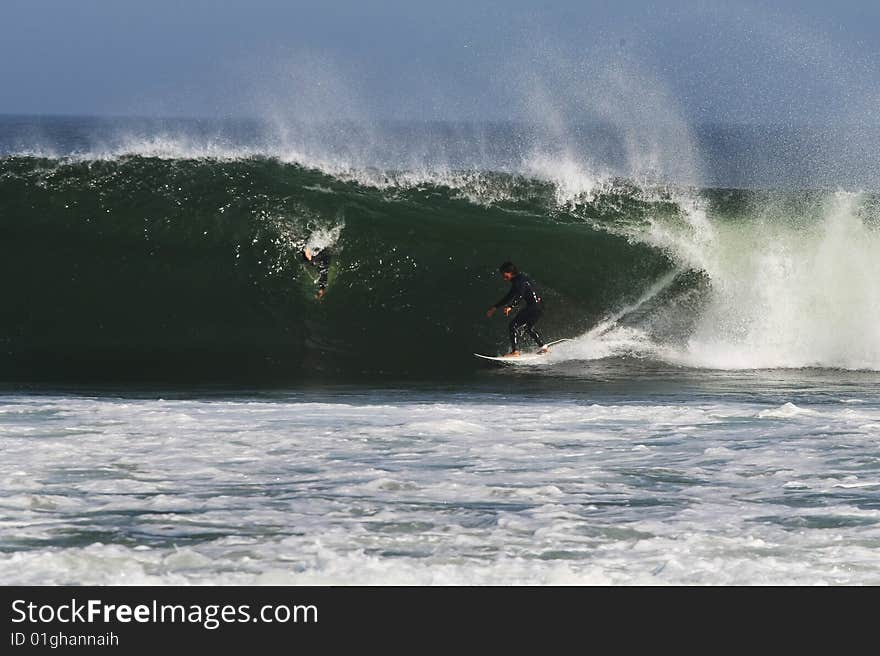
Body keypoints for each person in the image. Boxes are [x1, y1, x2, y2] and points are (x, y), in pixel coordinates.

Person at [485, 261, 548, 357]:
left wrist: (511, 306)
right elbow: (510, 296)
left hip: (533, 307)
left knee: (513, 325)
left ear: (510, 272)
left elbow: (520, 295)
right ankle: (543, 347)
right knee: (528, 328)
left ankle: (515, 352)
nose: (503, 277)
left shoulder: (518, 282)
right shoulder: (522, 278)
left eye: (504, 275)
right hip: (540, 306)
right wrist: (495, 307)